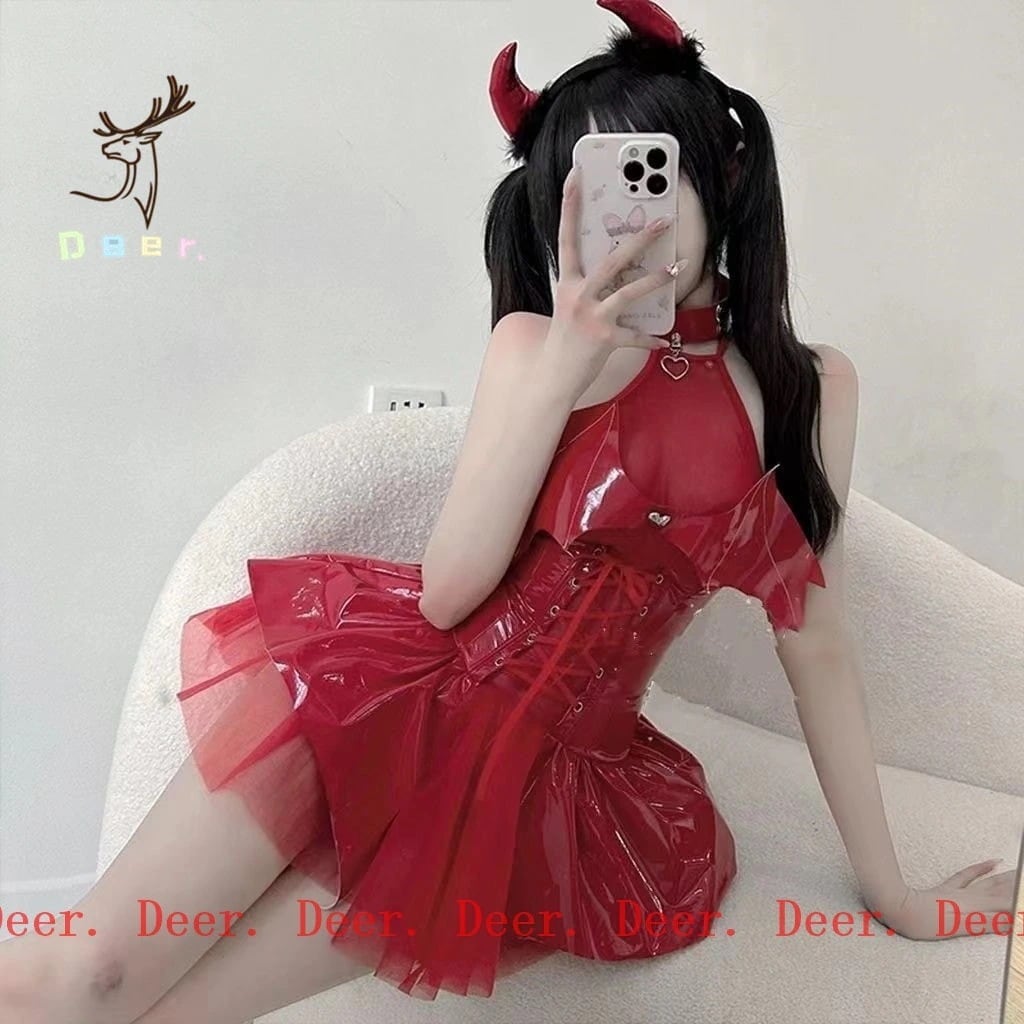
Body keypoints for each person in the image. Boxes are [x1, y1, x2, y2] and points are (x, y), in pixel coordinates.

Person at [1, 1, 1014, 1022]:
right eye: (586, 192)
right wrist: (566, 364)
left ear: (728, 170)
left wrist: (896, 893)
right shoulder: (532, 347)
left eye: (644, 173)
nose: (623, 220)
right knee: (85, 979)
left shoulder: (813, 388)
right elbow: (448, 595)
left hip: (555, 793)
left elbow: (818, 648)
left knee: (183, 1013)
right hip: (390, 696)